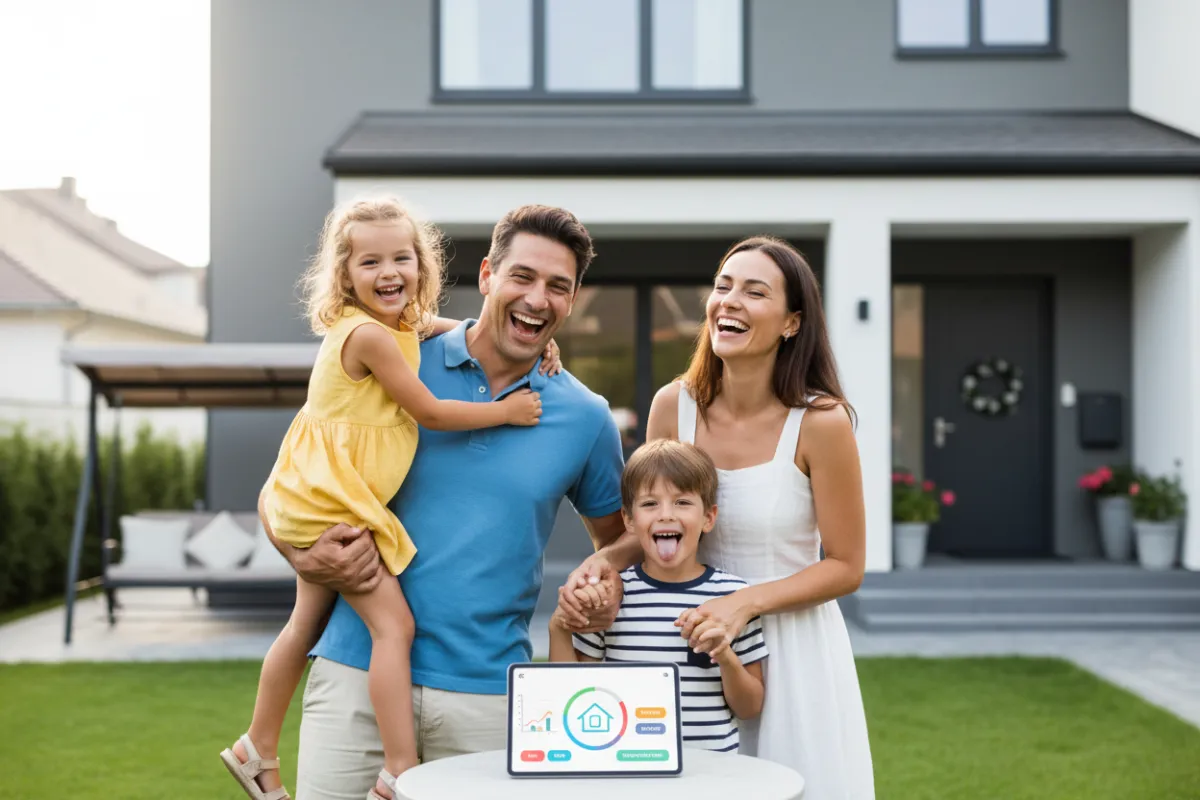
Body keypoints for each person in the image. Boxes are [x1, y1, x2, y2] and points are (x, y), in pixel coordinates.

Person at [261, 204, 642, 800]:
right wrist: (299, 554)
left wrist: (602, 582)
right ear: (488, 275)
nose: (537, 299)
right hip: (353, 679)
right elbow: (288, 483)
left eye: (558, 287)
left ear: (573, 301)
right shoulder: (394, 357)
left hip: (487, 696)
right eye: (523, 276)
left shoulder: (585, 417)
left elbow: (619, 539)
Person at [221, 196, 553, 800]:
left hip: (320, 491)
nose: (390, 272)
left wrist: (530, 341)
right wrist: (505, 410)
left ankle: (258, 745)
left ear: (422, 264)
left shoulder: (396, 327)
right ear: (344, 275)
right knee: (395, 626)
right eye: (370, 262)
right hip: (332, 506)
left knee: (305, 621)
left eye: (402, 257)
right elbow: (427, 409)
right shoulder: (371, 337)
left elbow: (451, 327)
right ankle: (399, 766)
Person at [646, 236, 875, 798]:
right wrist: (599, 567)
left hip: (794, 656)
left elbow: (846, 566)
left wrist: (742, 604)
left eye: (754, 291)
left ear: (791, 323)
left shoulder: (821, 423)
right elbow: (652, 527)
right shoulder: (671, 407)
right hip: (691, 649)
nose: (730, 301)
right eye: (723, 286)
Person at [549, 439, 767, 752]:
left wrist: (724, 655)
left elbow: (750, 708)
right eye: (650, 504)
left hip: (711, 776)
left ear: (708, 517)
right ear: (629, 519)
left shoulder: (732, 597)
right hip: (629, 766)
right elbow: (572, 697)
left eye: (682, 502)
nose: (665, 515)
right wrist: (559, 628)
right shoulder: (611, 599)